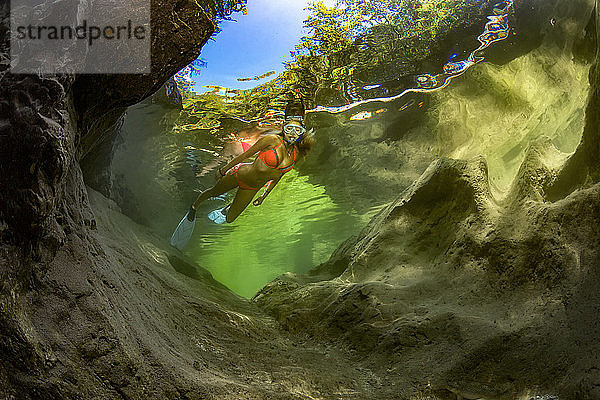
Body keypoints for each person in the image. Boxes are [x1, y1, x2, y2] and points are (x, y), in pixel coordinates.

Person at [186, 114, 314, 223]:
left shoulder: (298, 153)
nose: (292, 133)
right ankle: (194, 206)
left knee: (230, 219)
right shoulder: (272, 140)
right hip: (240, 174)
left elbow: (278, 176)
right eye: (289, 128)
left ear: (302, 132)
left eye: (297, 130)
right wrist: (223, 170)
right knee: (213, 192)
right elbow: (246, 155)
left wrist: (264, 196)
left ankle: (228, 207)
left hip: (252, 187)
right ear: (283, 128)